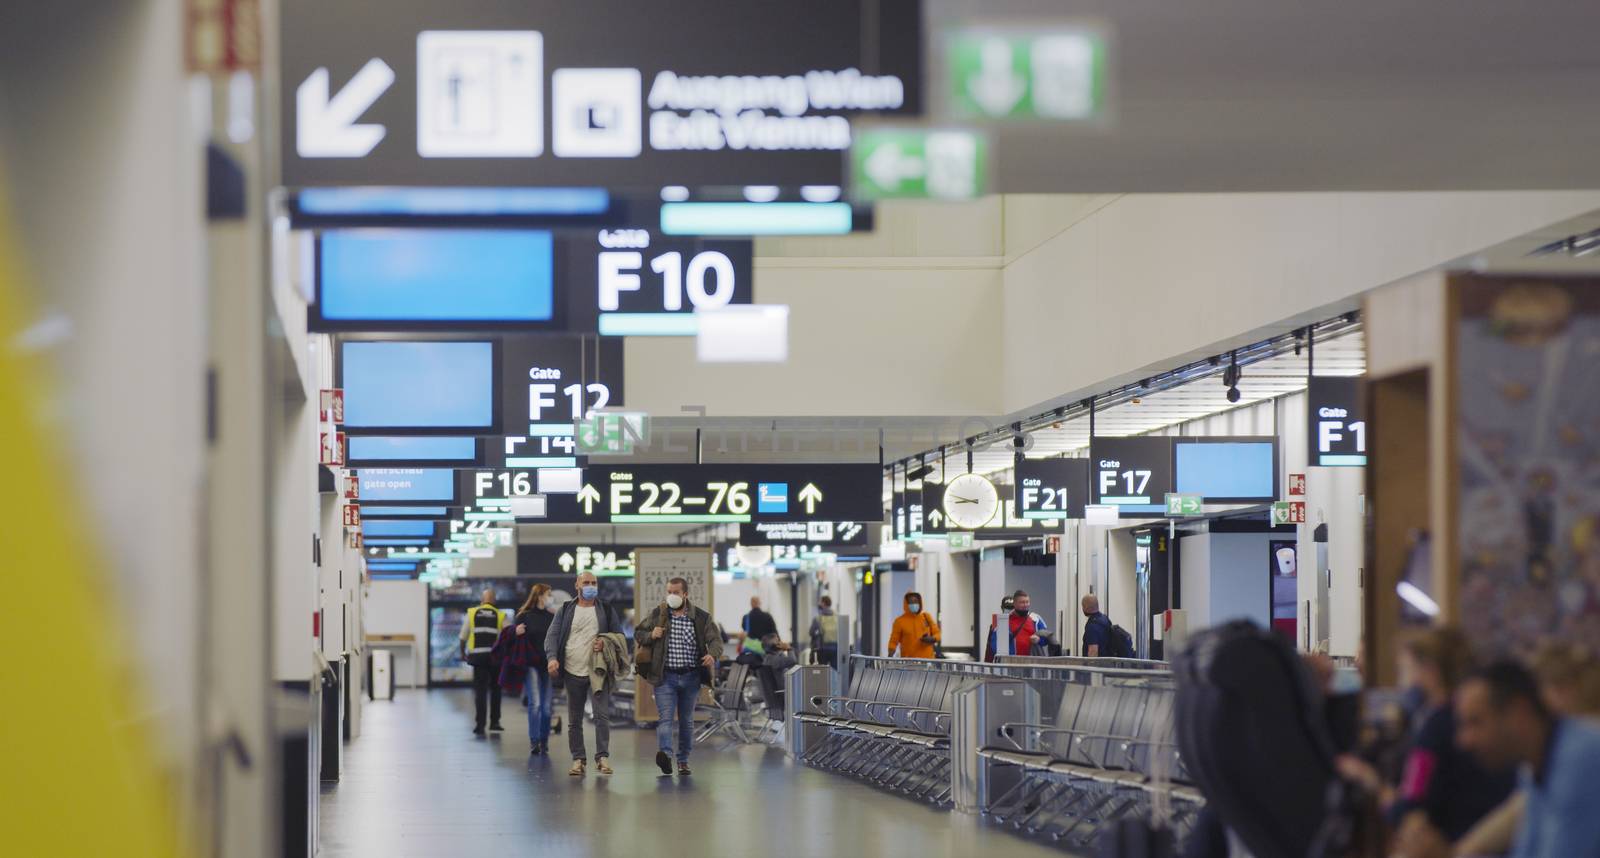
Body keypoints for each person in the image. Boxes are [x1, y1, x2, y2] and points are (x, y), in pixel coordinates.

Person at [1338, 628, 1514, 846]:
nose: (1402, 682)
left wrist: (1371, 782)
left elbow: (1409, 805)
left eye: (1404, 670)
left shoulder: (1434, 730)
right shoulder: (1473, 720)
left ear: (1429, 671)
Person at [1455, 660, 1600, 858]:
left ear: (1519, 713)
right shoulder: (1534, 764)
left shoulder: (1582, 760)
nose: (1464, 740)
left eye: (1476, 723)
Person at [633, 576, 722, 777]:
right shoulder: (658, 614)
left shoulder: (701, 617)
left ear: (685, 594)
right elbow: (638, 633)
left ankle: (683, 760)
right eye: (669, 592)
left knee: (687, 721)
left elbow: (716, 640)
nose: (671, 596)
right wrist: (651, 634)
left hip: (691, 677)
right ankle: (665, 756)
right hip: (665, 678)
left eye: (676, 592)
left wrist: (712, 655)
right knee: (665, 718)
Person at [543, 572, 624, 777]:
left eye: (594, 583)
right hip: (572, 670)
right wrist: (552, 658)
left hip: (597, 670)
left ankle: (602, 757)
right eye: (586, 582)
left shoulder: (605, 609)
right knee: (574, 719)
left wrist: (605, 641)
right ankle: (578, 759)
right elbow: (551, 636)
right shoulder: (566, 610)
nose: (590, 586)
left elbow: (620, 635)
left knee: (602, 716)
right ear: (577, 584)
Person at [512, 584, 555, 756]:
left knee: (546, 707)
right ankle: (534, 740)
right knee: (535, 703)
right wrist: (515, 632)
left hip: (548, 664)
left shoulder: (552, 617)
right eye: (548, 594)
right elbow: (512, 640)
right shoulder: (523, 616)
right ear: (539, 596)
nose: (550, 597)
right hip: (530, 664)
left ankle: (544, 739)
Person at [458, 588, 504, 735]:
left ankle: (480, 725)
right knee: (496, 690)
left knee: (480, 691)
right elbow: (506, 636)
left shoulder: (472, 613)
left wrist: (462, 653)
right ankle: (495, 722)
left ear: (482, 600)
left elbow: (463, 636)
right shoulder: (500, 615)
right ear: (494, 601)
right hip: (495, 659)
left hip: (478, 658)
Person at [986, 589, 1052, 661]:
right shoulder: (1003, 622)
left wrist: (1039, 640)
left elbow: (1047, 638)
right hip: (1011, 664)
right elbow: (994, 646)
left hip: (1032, 664)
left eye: (1027, 602)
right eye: (1022, 602)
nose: (1025, 605)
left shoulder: (1036, 619)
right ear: (1014, 604)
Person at [887, 591, 940, 659]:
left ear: (920, 602)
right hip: (908, 662)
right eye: (911, 602)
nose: (914, 604)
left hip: (928, 661)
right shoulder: (899, 621)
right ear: (906, 604)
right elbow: (893, 641)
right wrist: (889, 658)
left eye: (916, 601)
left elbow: (937, 633)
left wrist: (932, 638)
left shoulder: (926, 617)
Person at [808, 595, 839, 667]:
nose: (819, 603)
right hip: (835, 648)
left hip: (822, 648)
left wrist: (817, 634)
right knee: (835, 669)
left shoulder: (818, 618)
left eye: (820, 602)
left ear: (823, 603)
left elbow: (811, 632)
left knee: (823, 671)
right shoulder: (836, 617)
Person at [1081, 593, 1113, 658]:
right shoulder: (1105, 619)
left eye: (1083, 606)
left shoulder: (1092, 627)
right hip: (1107, 662)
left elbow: (1093, 652)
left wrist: (1089, 667)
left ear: (1086, 607)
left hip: (1099, 665)